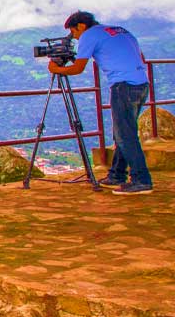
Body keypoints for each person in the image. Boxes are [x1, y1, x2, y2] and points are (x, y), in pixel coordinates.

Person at [48, 11, 153, 195]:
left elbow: (78, 68)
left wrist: (56, 69)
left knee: (125, 136)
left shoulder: (89, 34)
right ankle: (117, 175)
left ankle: (141, 180)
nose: (74, 37)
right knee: (123, 132)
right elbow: (141, 57)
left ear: (80, 26)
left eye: (74, 32)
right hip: (141, 83)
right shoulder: (119, 30)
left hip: (123, 87)